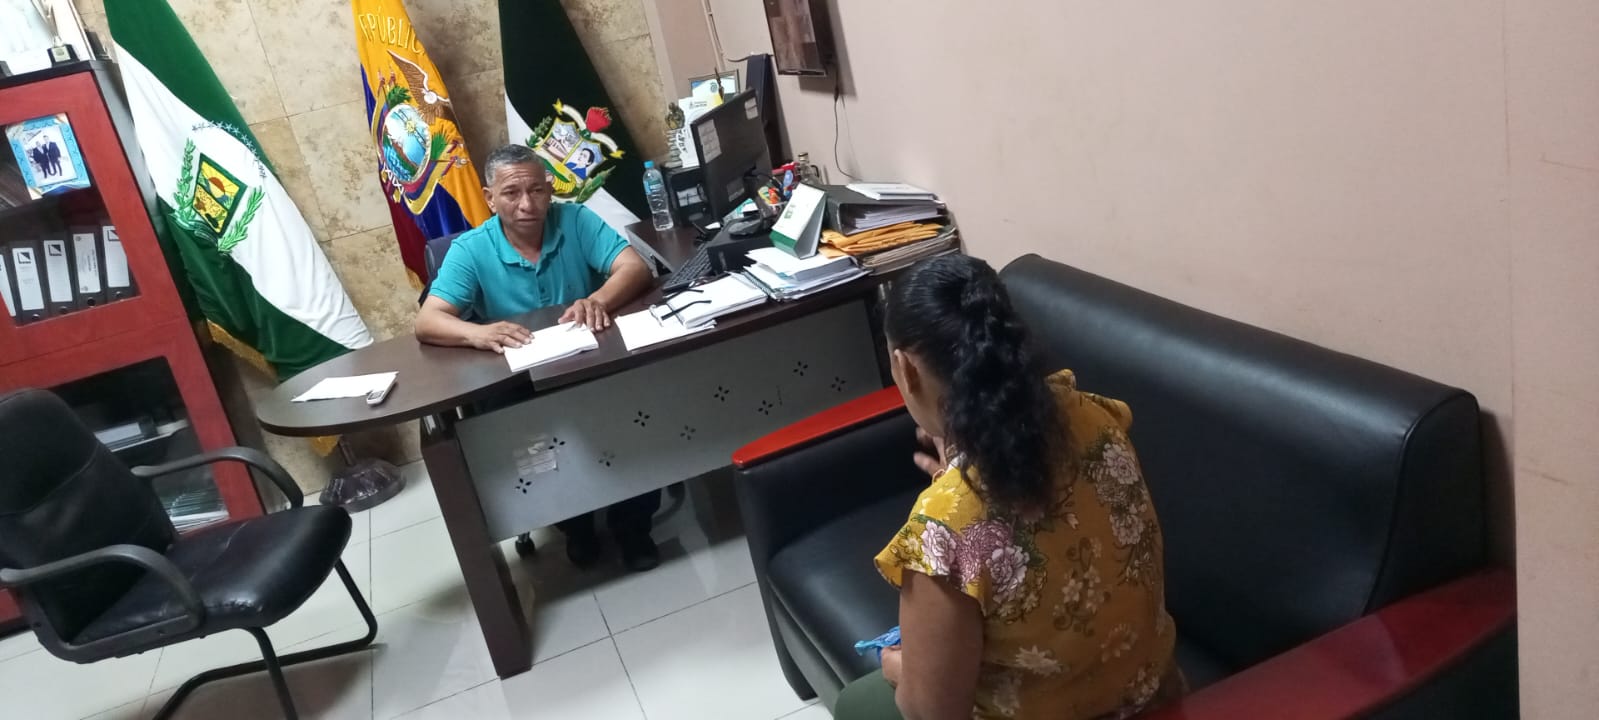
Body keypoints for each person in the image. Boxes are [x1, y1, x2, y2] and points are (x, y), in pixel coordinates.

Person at [836, 255, 1182, 720]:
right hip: (1157, 695)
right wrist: (957, 477)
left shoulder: (944, 534)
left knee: (856, 702)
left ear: (905, 368)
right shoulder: (1093, 418)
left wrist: (895, 667)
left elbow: (931, 713)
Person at [415, 143, 662, 572]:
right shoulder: (471, 249)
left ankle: (633, 527)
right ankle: (576, 527)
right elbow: (428, 320)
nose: (527, 204)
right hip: (523, 381)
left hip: (590, 364)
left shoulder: (576, 219)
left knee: (634, 415)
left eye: (537, 190)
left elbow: (634, 267)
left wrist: (597, 300)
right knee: (529, 441)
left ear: (550, 190)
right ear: (489, 198)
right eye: (511, 193)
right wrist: (477, 332)